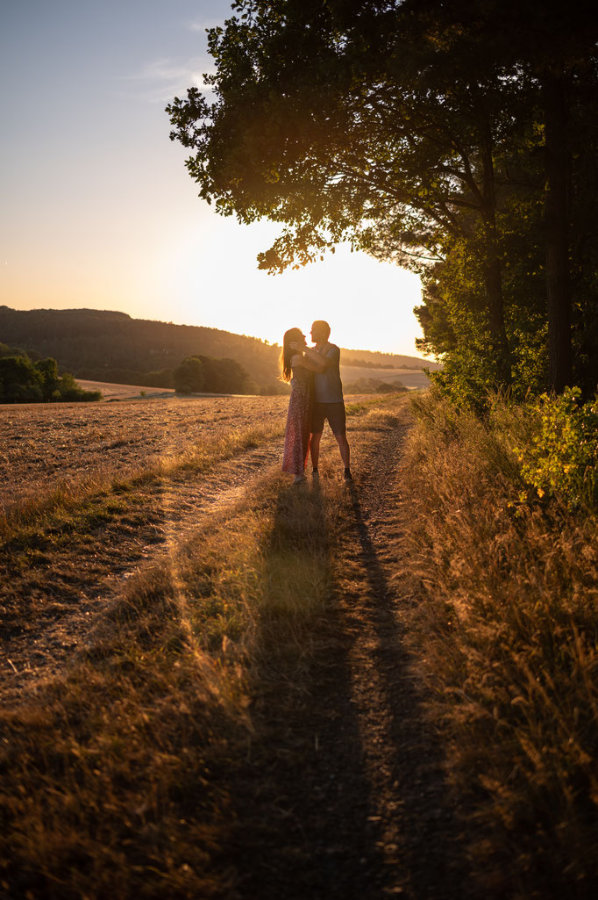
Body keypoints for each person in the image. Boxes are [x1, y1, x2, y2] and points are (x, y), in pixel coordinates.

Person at [298, 320, 352, 481]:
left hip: (334, 401)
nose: (310, 333)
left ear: (321, 332)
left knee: (340, 436)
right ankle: (315, 471)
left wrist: (304, 352)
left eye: (313, 330)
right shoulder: (311, 351)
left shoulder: (333, 350)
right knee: (315, 437)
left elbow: (322, 366)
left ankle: (347, 470)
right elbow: (314, 368)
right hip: (317, 402)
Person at [280, 327, 322, 484]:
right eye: (301, 334)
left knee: (302, 435)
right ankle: (298, 474)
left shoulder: (300, 356)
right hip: (302, 399)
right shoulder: (299, 357)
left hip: (305, 398)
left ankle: (299, 473)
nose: (305, 335)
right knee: (300, 435)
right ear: (296, 340)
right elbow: (320, 367)